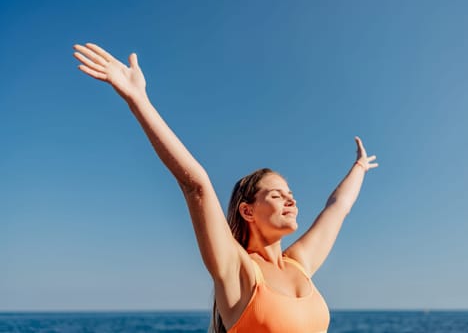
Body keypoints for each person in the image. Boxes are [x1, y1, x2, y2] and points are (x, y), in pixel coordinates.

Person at [73, 43, 378, 333]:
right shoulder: (238, 269)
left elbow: (338, 208)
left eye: (291, 195)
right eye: (276, 194)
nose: (291, 201)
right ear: (247, 210)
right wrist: (138, 100)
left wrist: (360, 168)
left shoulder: (300, 264)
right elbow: (196, 185)